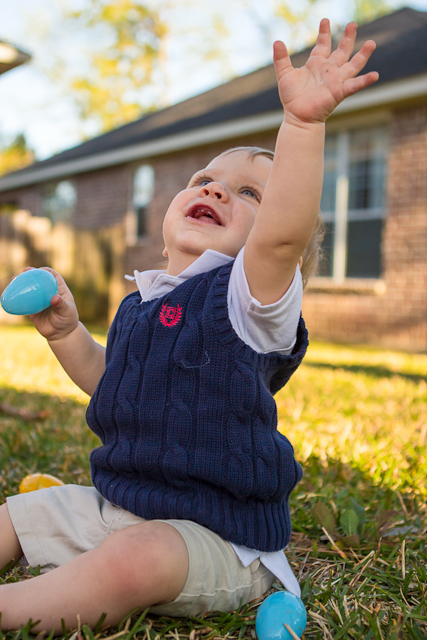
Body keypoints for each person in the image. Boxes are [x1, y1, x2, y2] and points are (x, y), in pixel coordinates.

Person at [0, 19, 378, 633]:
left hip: (213, 536)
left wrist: (303, 125)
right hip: (119, 505)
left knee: (134, 559)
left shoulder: (247, 302)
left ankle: (13, 611)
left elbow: (281, 238)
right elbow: (111, 385)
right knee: (21, 512)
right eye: (205, 180)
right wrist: (66, 335)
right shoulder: (141, 302)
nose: (219, 191)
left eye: (251, 193)